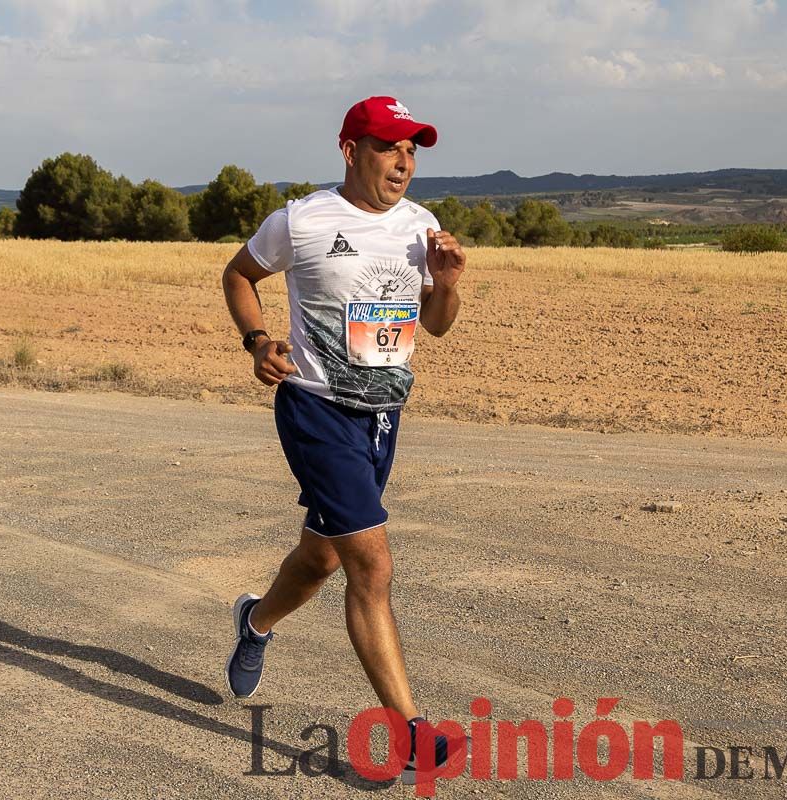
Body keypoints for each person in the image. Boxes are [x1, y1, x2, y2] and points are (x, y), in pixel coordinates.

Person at [220, 96, 467, 781]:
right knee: (372, 565)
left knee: (322, 560)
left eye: (413, 149)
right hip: (315, 409)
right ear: (350, 149)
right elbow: (239, 274)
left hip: (383, 416)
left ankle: (255, 621)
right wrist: (257, 340)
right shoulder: (302, 220)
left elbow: (437, 324)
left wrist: (445, 286)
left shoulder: (422, 226)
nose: (404, 161)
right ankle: (412, 734)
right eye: (390, 147)